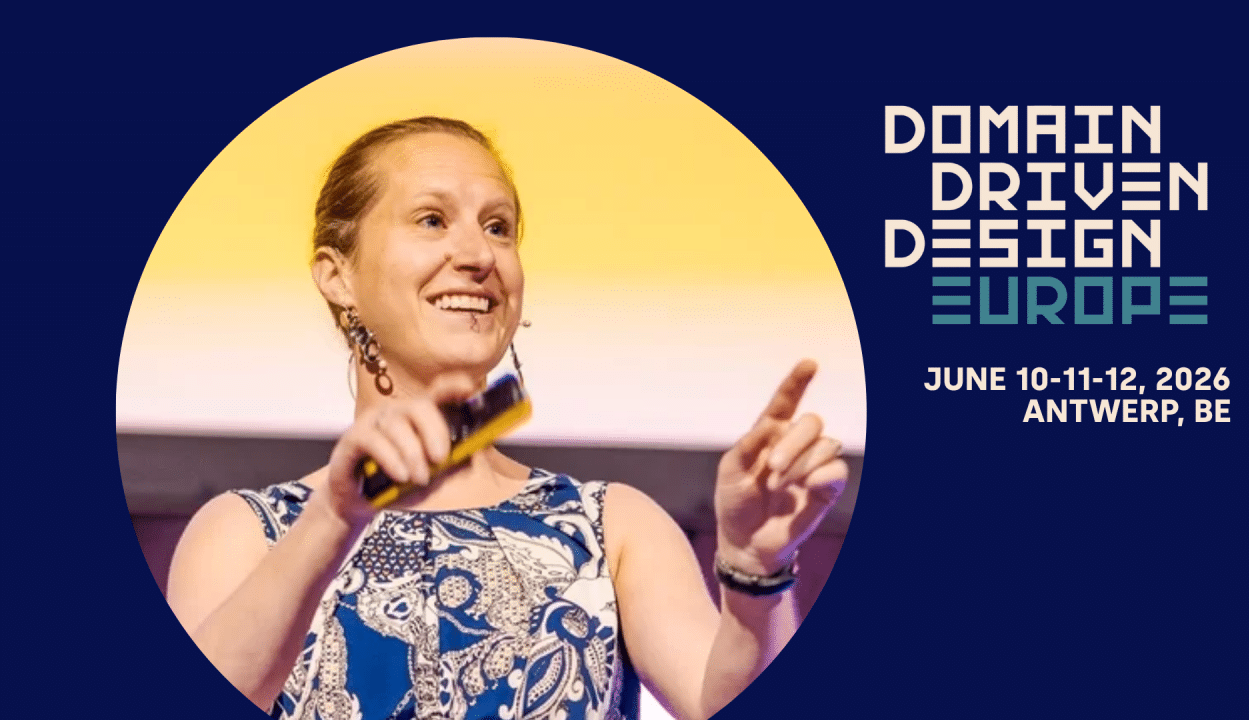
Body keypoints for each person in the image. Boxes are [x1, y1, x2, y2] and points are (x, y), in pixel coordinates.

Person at [166, 117, 849, 720]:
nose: (478, 256)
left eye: (498, 228)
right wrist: (335, 519)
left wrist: (757, 571)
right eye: (431, 220)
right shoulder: (245, 534)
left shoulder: (612, 527)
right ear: (337, 276)